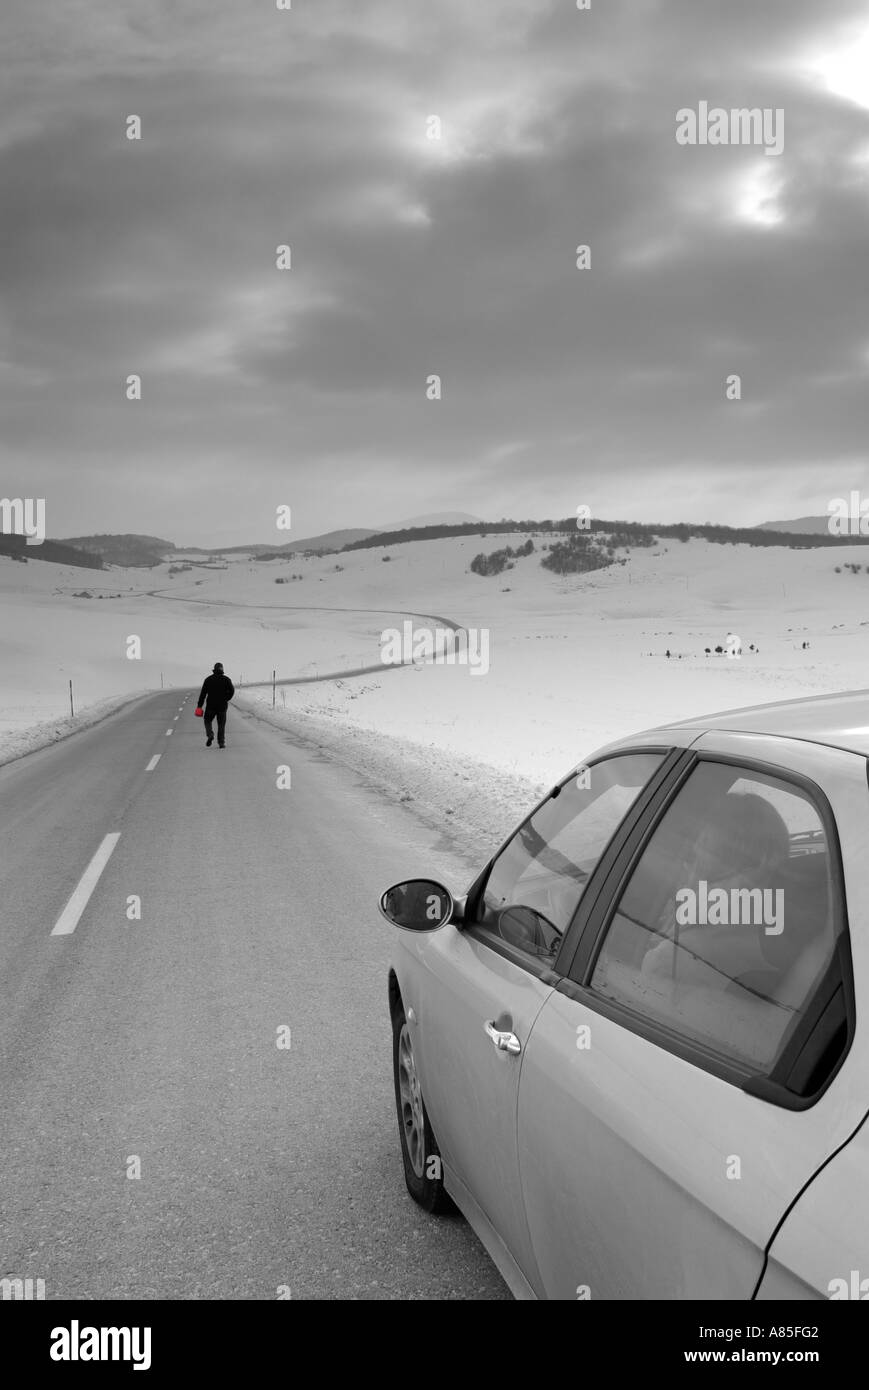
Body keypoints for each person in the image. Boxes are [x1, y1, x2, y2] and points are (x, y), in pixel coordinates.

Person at [197, 661, 235, 749]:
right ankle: (221, 743)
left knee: (207, 720)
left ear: (214, 669)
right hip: (222, 706)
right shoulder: (226, 680)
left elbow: (203, 694)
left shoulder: (208, 680)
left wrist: (199, 705)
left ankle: (210, 734)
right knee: (221, 724)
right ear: (222, 670)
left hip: (211, 706)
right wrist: (226, 698)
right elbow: (232, 691)